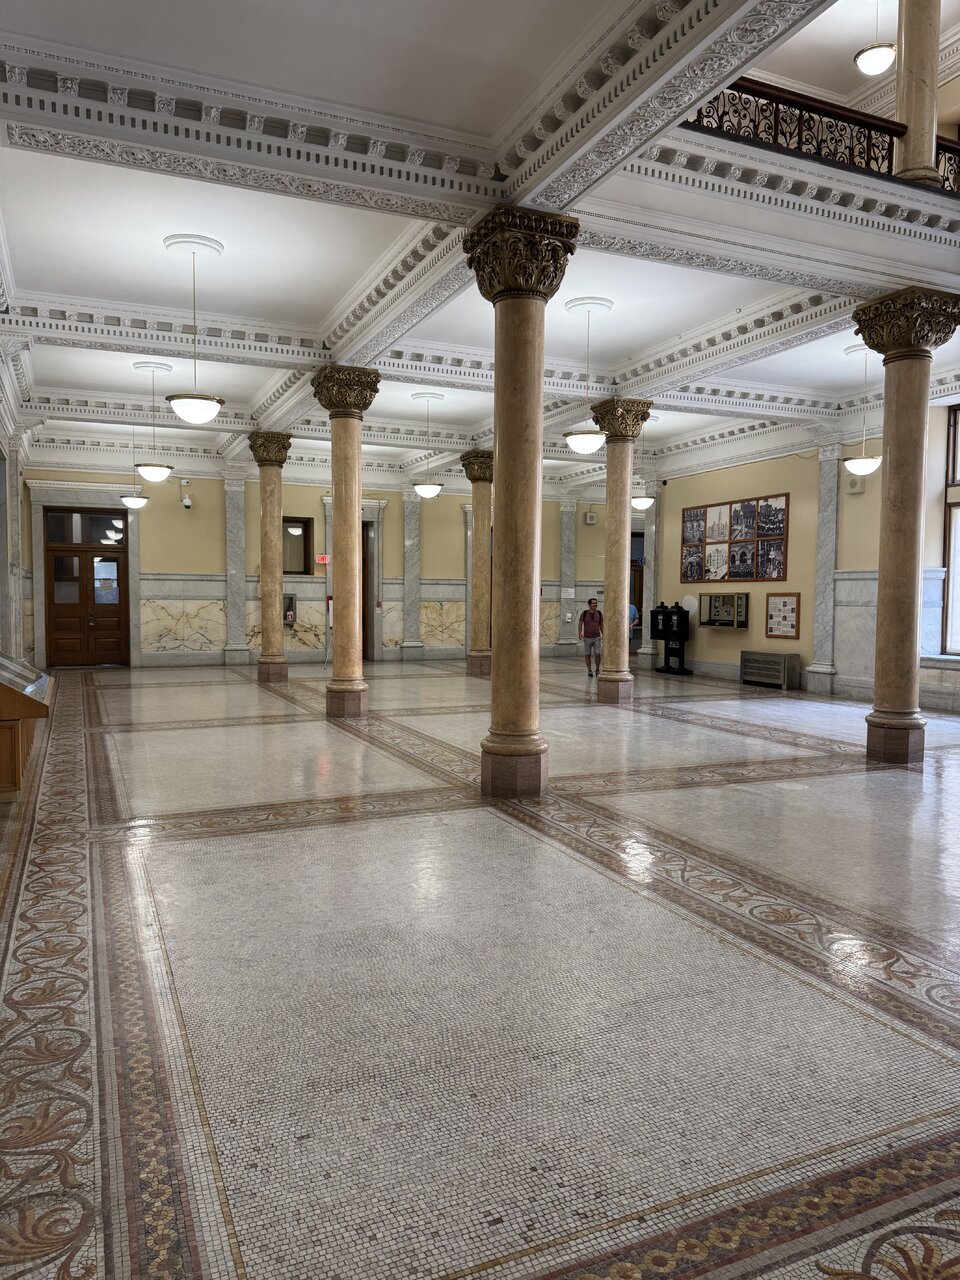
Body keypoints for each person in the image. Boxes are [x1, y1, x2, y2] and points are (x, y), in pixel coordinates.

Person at [578, 597, 603, 677]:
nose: (595, 605)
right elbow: (580, 623)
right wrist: (579, 632)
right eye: (593, 603)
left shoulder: (599, 613)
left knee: (597, 653)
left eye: (596, 603)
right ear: (589, 605)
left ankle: (597, 669)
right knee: (587, 654)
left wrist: (603, 634)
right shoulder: (584, 613)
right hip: (587, 637)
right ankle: (589, 670)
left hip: (597, 637)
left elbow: (601, 624)